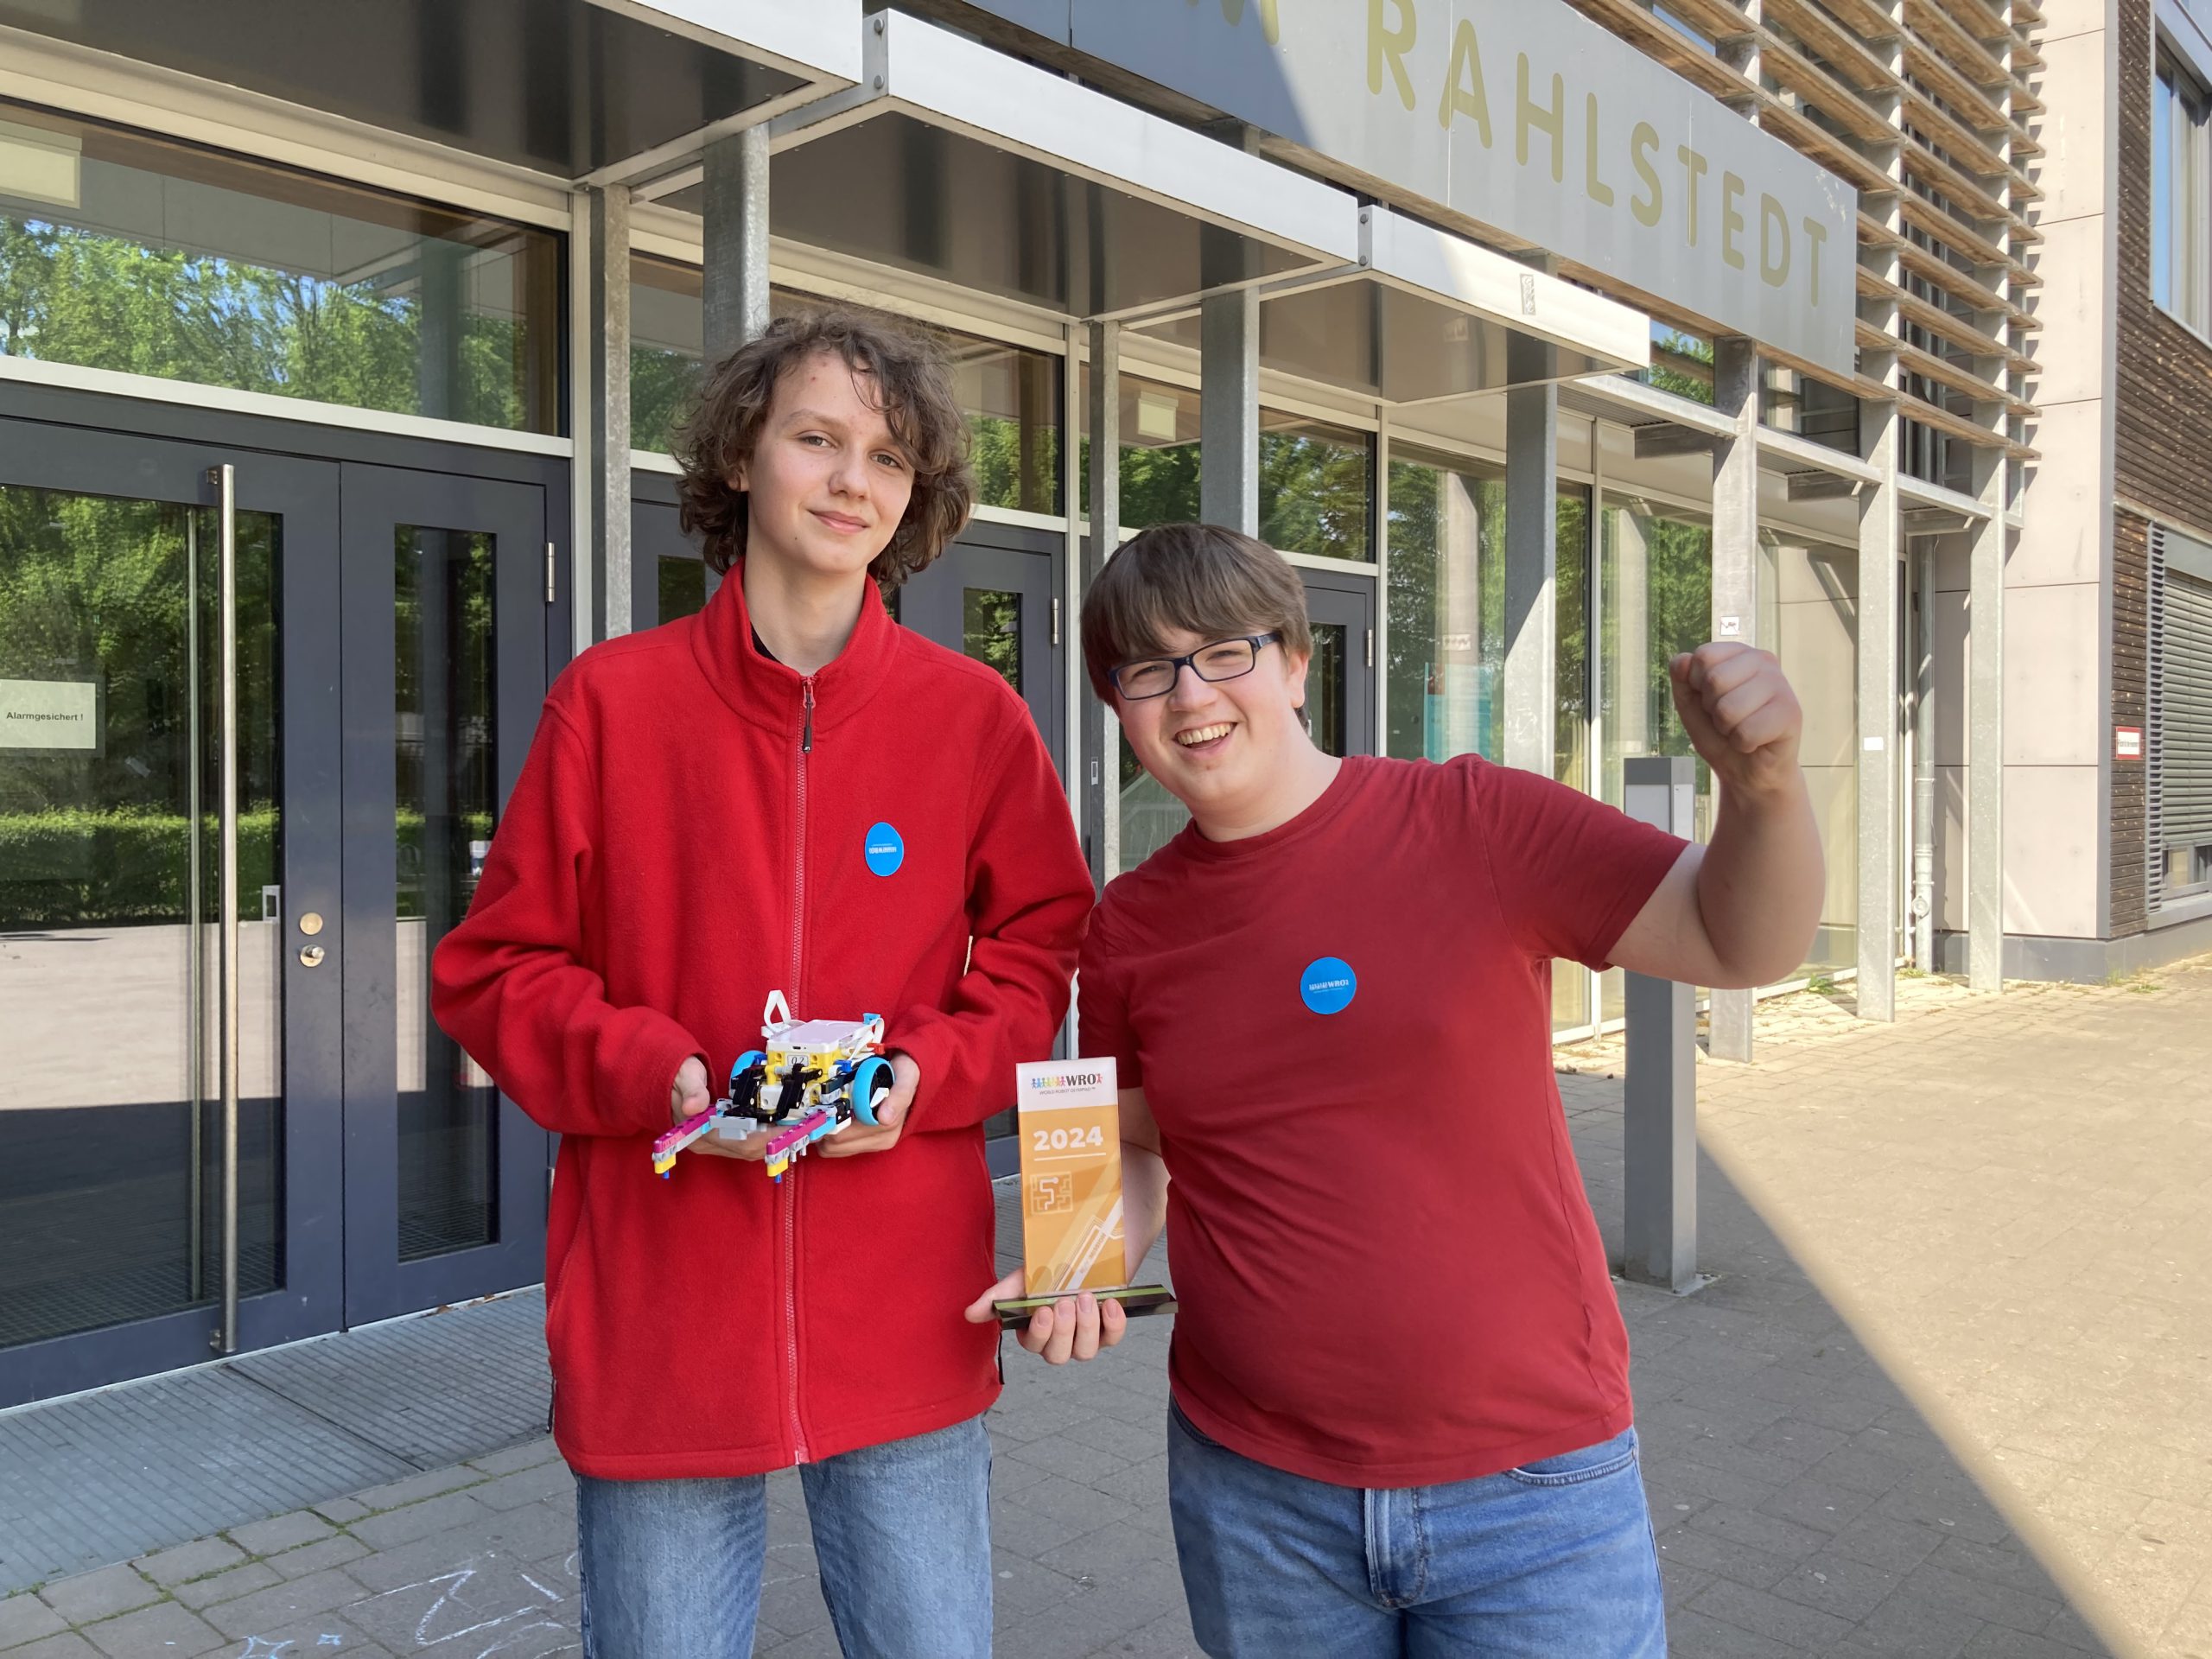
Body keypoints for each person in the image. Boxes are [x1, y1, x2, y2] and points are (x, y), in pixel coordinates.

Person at [969, 522, 1823, 1657]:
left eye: (1225, 651)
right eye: (1148, 670)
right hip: (1257, 1497)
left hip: (1530, 1492)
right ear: (1116, 705)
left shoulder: (1475, 821)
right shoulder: (1129, 924)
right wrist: (1075, 1263)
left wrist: (1764, 790)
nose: (1192, 695)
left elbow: (1738, 940)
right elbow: (1133, 1146)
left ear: (1295, 663)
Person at [433, 309, 1093, 1659]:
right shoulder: (609, 704)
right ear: (742, 456)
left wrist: (923, 1075)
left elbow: (1041, 946)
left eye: (888, 458)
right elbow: (495, 968)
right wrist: (657, 1074)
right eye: (817, 439)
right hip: (666, 1315)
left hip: (904, 1315)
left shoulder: (974, 718)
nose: (853, 481)